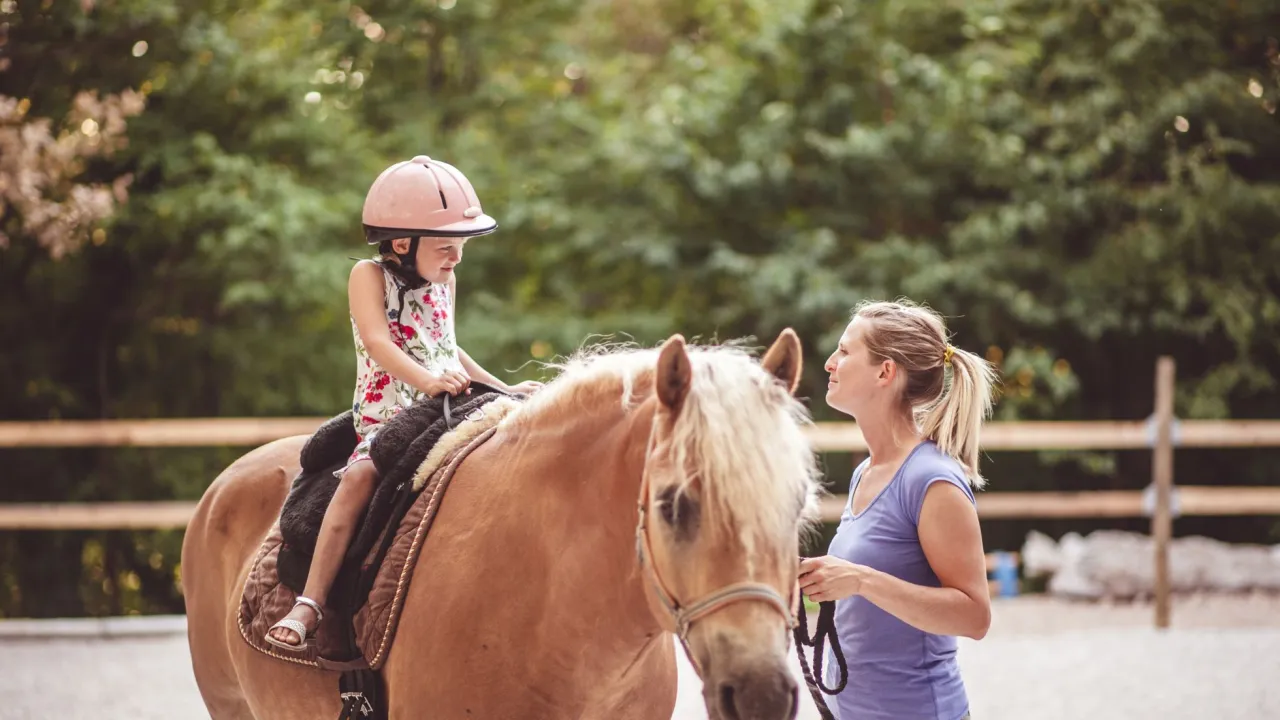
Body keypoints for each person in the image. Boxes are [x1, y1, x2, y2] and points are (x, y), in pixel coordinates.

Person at [266, 155, 542, 651]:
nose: (456, 258)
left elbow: (447, 346)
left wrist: (502, 389)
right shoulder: (368, 278)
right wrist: (429, 381)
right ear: (400, 243)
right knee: (357, 477)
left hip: (445, 405)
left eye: (461, 246)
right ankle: (310, 601)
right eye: (445, 247)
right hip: (391, 410)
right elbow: (378, 342)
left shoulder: (445, 281)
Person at [798, 299, 997, 719]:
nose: (831, 363)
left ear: (885, 371)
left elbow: (975, 616)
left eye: (845, 351)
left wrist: (861, 580)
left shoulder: (931, 480)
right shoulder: (866, 473)